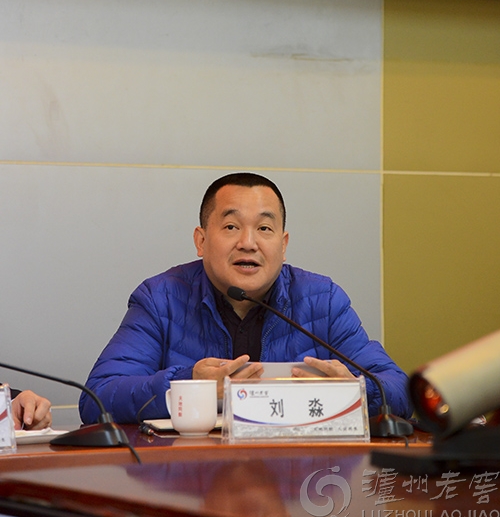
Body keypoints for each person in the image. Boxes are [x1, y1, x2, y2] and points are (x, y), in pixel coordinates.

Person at [79, 173, 412, 424]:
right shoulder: (160, 299)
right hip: (191, 478)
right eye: (231, 227)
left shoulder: (322, 301)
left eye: (264, 229)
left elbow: (399, 390)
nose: (248, 243)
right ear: (201, 241)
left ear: (283, 244)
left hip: (296, 479)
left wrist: (355, 391)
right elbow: (98, 399)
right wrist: (189, 384)